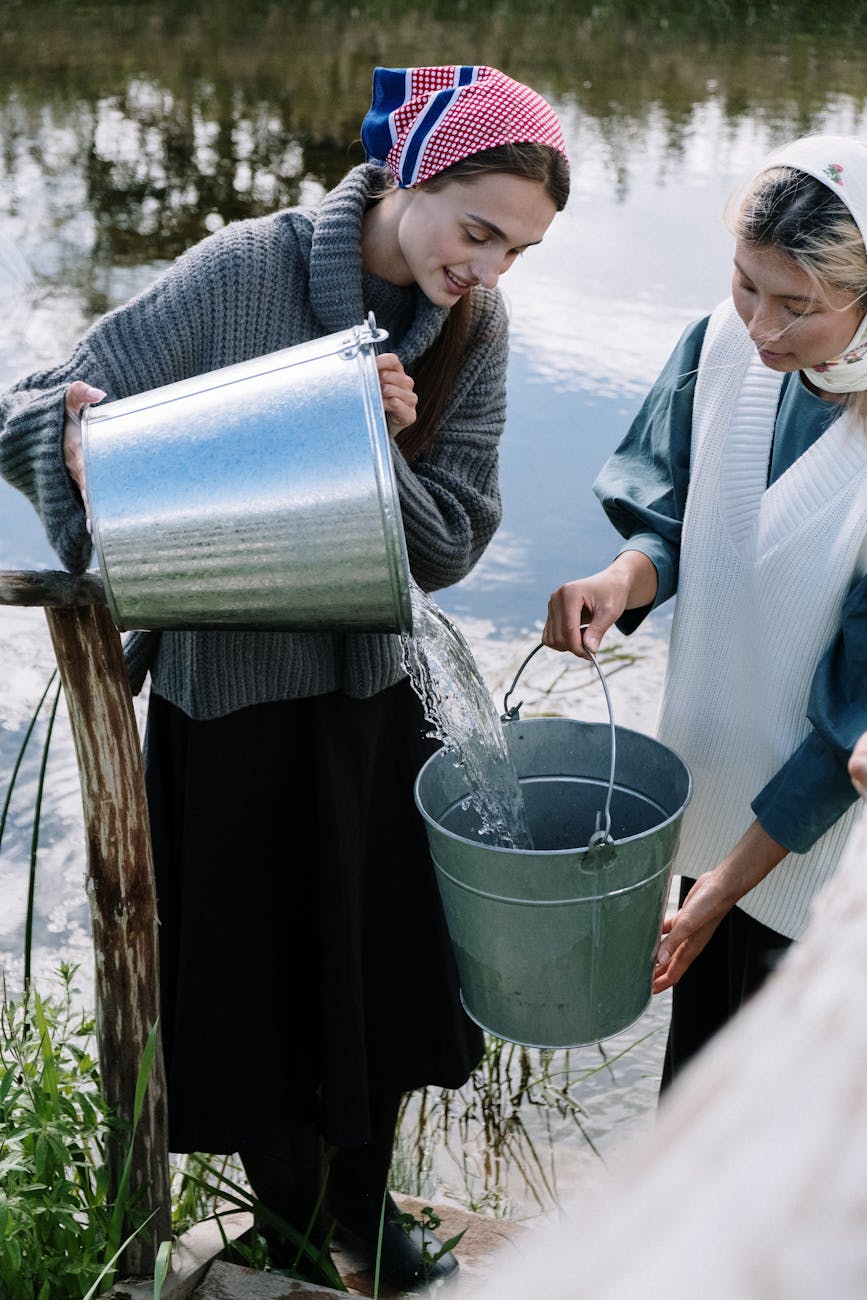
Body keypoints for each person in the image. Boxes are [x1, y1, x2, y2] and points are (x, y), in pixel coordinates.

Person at [0, 65, 569, 1286]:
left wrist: (366, 442)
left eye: (516, 250)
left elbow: (458, 535)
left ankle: (371, 1225)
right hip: (227, 696)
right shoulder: (240, 272)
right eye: (477, 231)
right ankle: (296, 1231)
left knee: (388, 973)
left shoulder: (477, 325)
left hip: (376, 698)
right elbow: (32, 411)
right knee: (251, 974)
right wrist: (98, 443)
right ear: (413, 174)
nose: (488, 269)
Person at [543, 133, 867, 1088]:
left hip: (819, 856)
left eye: (796, 307)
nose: (759, 326)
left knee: (782, 1128)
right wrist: (621, 579)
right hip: (716, 799)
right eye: (743, 284)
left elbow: (848, 723)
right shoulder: (723, 347)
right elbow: (683, 520)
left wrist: (722, 890)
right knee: (696, 1096)